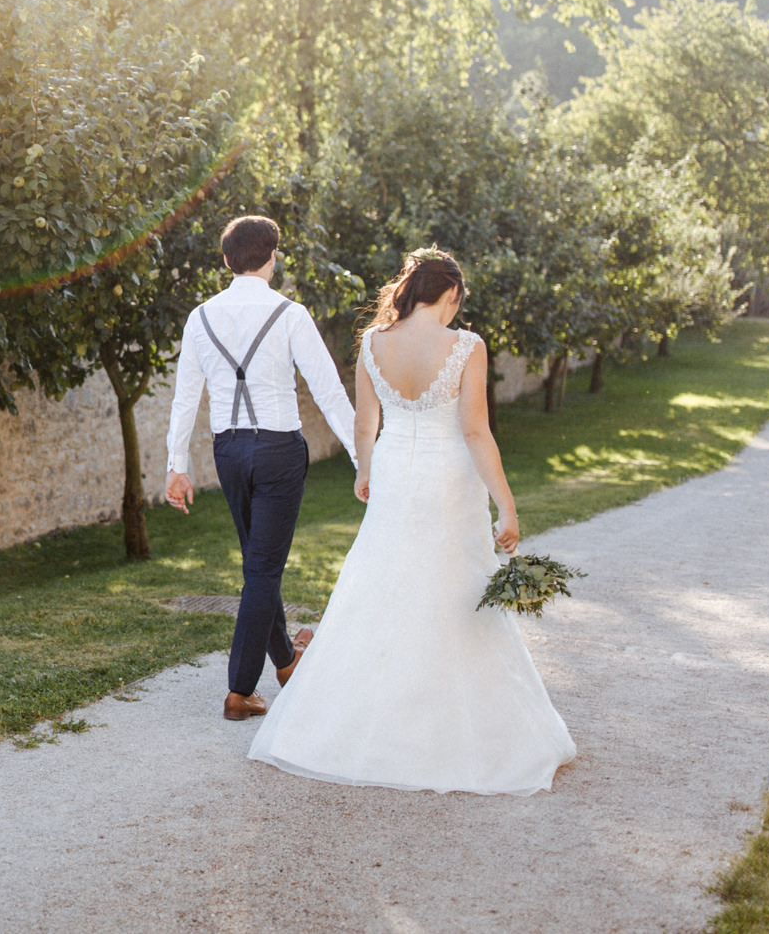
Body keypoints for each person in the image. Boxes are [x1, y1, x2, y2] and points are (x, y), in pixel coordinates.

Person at [246, 248, 577, 794]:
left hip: (396, 473)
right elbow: (475, 432)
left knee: (382, 581)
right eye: (457, 301)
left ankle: (350, 725)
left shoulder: (374, 343)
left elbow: (365, 424)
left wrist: (365, 472)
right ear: (449, 294)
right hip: (449, 480)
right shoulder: (467, 347)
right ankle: (456, 732)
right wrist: (507, 505)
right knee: (455, 587)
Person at [164, 215, 360, 721]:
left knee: (257, 563)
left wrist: (175, 465)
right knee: (264, 568)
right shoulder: (290, 314)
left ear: (227, 261)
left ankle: (287, 661)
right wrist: (365, 457)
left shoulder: (200, 317)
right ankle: (239, 691)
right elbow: (328, 391)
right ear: (272, 256)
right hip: (278, 450)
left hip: (227, 452)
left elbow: (185, 398)